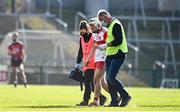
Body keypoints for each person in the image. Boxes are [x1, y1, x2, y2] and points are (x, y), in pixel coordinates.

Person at [96, 9, 132, 107]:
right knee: (108, 79)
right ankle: (114, 101)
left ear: (105, 17)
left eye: (102, 20)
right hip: (111, 55)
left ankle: (125, 96)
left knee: (110, 78)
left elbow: (119, 40)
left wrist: (106, 45)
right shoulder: (110, 25)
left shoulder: (116, 24)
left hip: (118, 54)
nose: (103, 22)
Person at [75, 21, 106, 106]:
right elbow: (80, 51)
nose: (82, 33)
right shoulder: (81, 38)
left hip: (94, 61)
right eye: (81, 32)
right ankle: (101, 97)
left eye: (84, 31)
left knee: (88, 82)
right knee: (92, 83)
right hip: (86, 63)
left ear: (88, 29)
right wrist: (78, 63)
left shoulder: (93, 37)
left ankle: (85, 100)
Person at [85, 17, 109, 106]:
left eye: (92, 26)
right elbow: (94, 46)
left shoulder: (105, 32)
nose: (90, 28)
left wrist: (99, 44)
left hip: (104, 58)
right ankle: (117, 97)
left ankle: (95, 101)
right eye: (90, 26)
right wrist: (88, 58)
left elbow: (109, 44)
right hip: (97, 58)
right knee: (103, 83)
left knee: (95, 80)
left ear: (98, 25)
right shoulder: (94, 33)